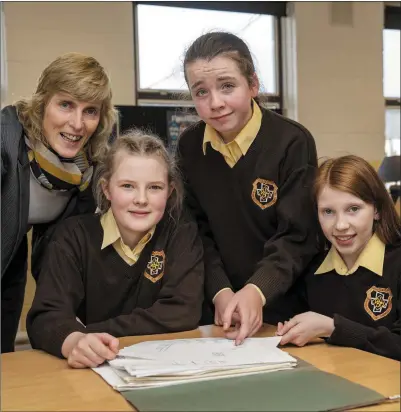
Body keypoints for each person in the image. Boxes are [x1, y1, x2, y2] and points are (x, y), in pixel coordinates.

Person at [177, 32, 319, 345]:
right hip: (220, 314)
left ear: (252, 85)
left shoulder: (292, 142)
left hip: (285, 314)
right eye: (201, 92)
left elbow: (298, 236)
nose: (216, 103)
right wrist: (220, 292)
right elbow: (195, 233)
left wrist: (257, 290)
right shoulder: (189, 148)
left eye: (227, 86)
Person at [26, 129, 204, 368]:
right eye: (128, 186)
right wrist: (75, 340)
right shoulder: (72, 237)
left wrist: (90, 331)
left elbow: (182, 310)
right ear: (107, 189)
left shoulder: (180, 232)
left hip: (167, 366)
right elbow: (46, 316)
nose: (141, 199)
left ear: (170, 192)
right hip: (95, 368)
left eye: (154, 188)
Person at [1, 52, 117, 353]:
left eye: (90, 111)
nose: (77, 124)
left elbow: (60, 260)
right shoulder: (5, 141)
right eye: (65, 105)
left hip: (10, 259)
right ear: (42, 104)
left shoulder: (86, 170)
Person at [276, 155, 401, 361]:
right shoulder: (311, 268)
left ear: (376, 210)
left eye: (353, 209)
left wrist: (333, 328)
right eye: (328, 212)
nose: (340, 225)